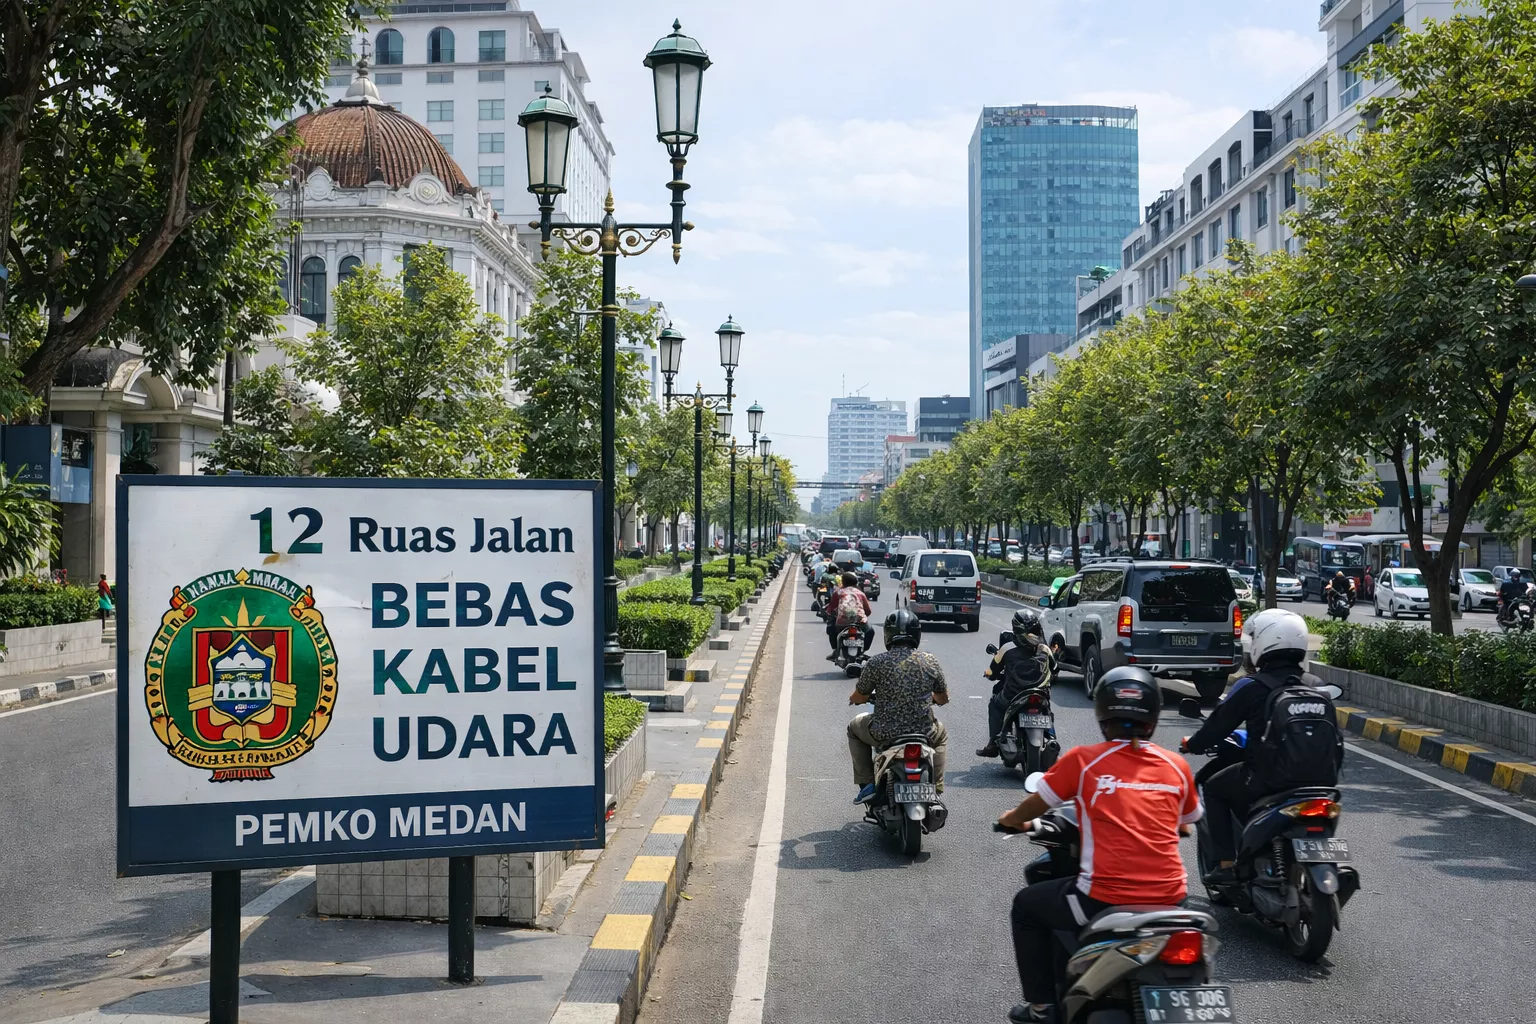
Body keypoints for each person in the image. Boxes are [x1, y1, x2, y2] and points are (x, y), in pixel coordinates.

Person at [997, 667, 1200, 1024]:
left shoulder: (1085, 760)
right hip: (1173, 897)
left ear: (1103, 713)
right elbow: (1187, 821)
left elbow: (1037, 804)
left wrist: (1013, 820)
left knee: (1027, 906)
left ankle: (1042, 1006)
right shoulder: (1177, 764)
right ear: (1153, 716)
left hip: (1104, 898)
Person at [1180, 608, 1340, 886]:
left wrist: (1192, 744)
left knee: (1214, 788)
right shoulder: (1316, 685)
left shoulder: (1251, 685)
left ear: (1264, 644)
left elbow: (1218, 725)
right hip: (1323, 783)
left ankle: (1226, 863)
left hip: (1269, 779)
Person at [847, 609, 949, 803]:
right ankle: (936, 785)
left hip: (884, 733)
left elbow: (860, 695)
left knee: (853, 728)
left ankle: (867, 783)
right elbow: (943, 697)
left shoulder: (876, 662)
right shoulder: (929, 661)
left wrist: (858, 699)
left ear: (888, 634)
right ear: (917, 634)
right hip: (924, 732)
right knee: (941, 733)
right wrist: (932, 698)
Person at [976, 607, 1055, 758]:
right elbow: (1055, 668)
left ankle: (993, 743)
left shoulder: (1007, 648)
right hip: (1040, 694)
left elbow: (993, 671)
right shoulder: (1044, 649)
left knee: (994, 703)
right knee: (1047, 709)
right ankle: (1051, 737)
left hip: (1012, 696)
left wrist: (988, 674)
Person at [826, 571, 874, 660]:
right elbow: (868, 611)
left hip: (841, 623)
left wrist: (829, 614)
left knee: (831, 629)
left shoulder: (838, 593)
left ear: (843, 582)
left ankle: (835, 650)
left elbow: (831, 608)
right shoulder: (861, 593)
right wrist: (861, 616)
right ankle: (863, 650)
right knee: (870, 631)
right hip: (860, 622)